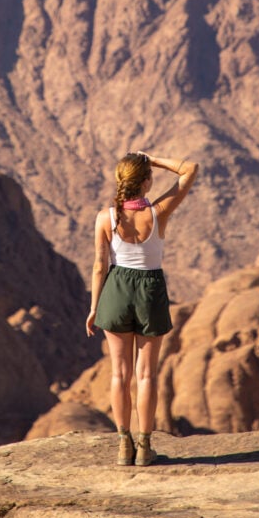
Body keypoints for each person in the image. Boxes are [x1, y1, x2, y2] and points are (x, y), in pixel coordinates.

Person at [86, 150, 199, 466]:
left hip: (115, 291)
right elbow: (190, 169)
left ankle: (124, 445)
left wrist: (94, 307)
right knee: (146, 374)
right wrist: (155, 161)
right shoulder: (159, 211)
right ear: (146, 182)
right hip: (150, 291)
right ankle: (145, 446)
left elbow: (99, 266)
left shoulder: (105, 217)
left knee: (119, 374)